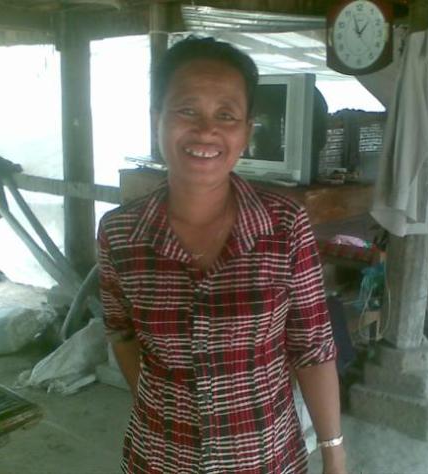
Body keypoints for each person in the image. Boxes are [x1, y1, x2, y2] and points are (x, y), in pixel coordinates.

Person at [98, 36, 346, 474]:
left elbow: (312, 348)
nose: (206, 130)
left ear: (246, 132)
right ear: (157, 120)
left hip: (267, 459)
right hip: (159, 459)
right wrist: (165, 410)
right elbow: (122, 334)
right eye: (187, 110)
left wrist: (334, 455)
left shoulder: (285, 226)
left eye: (226, 115)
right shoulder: (119, 234)